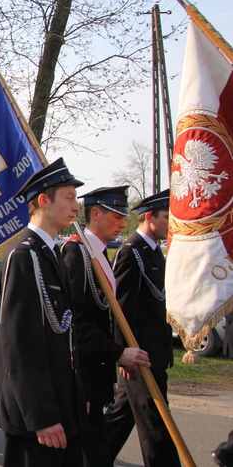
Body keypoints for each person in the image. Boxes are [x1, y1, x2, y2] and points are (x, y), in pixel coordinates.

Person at [0, 158, 87, 467]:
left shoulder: (50, 254)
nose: (76, 207)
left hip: (59, 399)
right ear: (43, 200)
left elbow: (63, 333)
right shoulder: (23, 256)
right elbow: (17, 344)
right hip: (36, 413)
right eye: (69, 197)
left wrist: (74, 396)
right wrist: (41, 416)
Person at [61, 186, 150, 467]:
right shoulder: (77, 253)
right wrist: (116, 353)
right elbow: (76, 324)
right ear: (95, 214)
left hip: (97, 376)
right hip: (83, 378)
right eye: (116, 216)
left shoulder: (98, 253)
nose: (124, 224)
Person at [104, 189, 180, 466]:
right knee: (156, 426)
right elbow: (121, 310)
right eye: (167, 217)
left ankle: (88, 459)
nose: (172, 224)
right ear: (149, 217)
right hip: (141, 356)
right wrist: (125, 352)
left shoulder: (152, 253)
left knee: (119, 419)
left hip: (154, 354)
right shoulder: (131, 253)